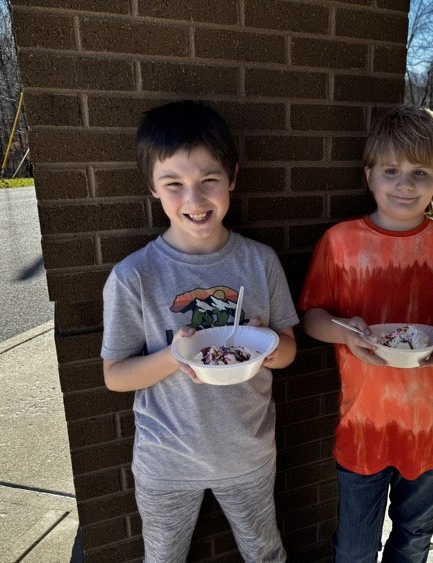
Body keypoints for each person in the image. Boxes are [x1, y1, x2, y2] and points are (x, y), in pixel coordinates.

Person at [298, 105, 433, 562]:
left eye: (419, 172)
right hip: (363, 421)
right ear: (369, 175)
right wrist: (345, 334)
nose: (404, 184)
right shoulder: (340, 242)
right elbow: (312, 317)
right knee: (353, 546)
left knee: (413, 538)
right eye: (391, 170)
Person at [101, 100, 298, 563]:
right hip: (166, 461)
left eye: (208, 180)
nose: (194, 199)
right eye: (174, 184)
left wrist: (267, 347)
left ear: (232, 177)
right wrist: (174, 356)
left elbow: (289, 348)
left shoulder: (260, 261)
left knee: (265, 553)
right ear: (153, 187)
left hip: (248, 453)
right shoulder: (134, 276)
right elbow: (115, 375)